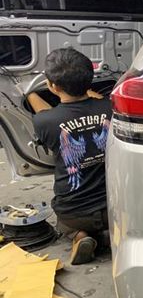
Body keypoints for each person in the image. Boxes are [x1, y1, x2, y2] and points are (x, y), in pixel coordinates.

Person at [27, 47, 111, 265]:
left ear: (53, 86)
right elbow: (97, 101)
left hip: (74, 213)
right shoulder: (110, 107)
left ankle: (79, 235)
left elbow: (47, 114)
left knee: (64, 221)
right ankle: (113, 233)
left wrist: (30, 92)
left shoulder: (44, 122)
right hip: (115, 207)